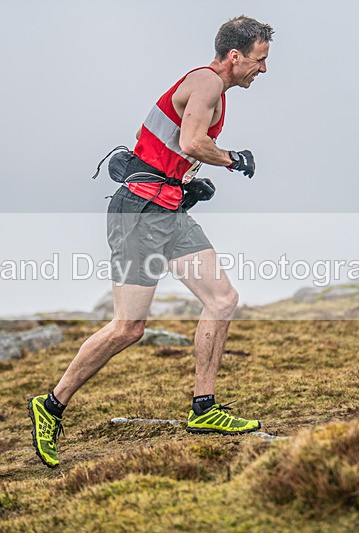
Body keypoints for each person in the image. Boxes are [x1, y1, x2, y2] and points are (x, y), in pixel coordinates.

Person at [28, 15, 273, 468]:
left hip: (166, 209)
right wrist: (233, 159)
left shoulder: (210, 89)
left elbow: (174, 150)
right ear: (234, 57)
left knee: (222, 299)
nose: (263, 70)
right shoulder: (206, 83)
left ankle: (204, 410)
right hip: (138, 214)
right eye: (260, 61)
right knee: (128, 328)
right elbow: (193, 140)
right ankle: (52, 404)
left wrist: (183, 182)